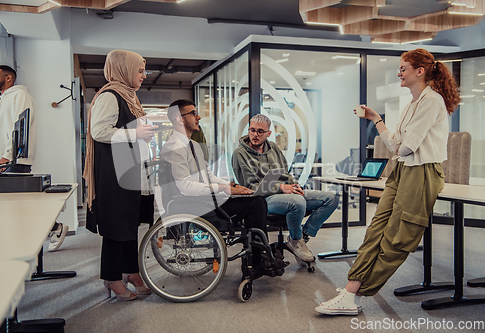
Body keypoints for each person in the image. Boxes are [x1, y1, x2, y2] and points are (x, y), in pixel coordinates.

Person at [315, 48, 460, 316]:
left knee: (397, 239)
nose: (398, 73)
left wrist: (399, 144)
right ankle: (351, 290)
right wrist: (376, 119)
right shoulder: (410, 106)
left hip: (422, 172)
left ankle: (354, 291)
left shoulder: (432, 102)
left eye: (403, 68)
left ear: (420, 71)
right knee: (375, 231)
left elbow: (405, 147)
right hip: (402, 170)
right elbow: (396, 145)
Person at [160, 99, 287, 276]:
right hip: (195, 205)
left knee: (251, 198)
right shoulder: (174, 147)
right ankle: (257, 260)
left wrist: (232, 186)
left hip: (204, 200)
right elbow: (185, 187)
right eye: (193, 113)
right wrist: (223, 188)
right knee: (256, 204)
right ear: (179, 119)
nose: (199, 117)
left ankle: (258, 255)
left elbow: (207, 175)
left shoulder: (193, 145)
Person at [83, 50, 156, 302]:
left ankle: (131, 272)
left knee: (129, 224)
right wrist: (136, 134)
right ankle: (112, 278)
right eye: (139, 70)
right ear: (123, 70)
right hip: (114, 174)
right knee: (116, 227)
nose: (143, 75)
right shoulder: (110, 96)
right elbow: (99, 131)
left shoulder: (129, 96)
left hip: (129, 170)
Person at [232, 114, 338, 263]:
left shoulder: (273, 148)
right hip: (261, 200)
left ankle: (301, 238)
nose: (255, 135)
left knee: (331, 199)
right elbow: (251, 187)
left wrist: (295, 186)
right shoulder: (240, 153)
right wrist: (281, 187)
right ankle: (296, 240)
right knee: (297, 202)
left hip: (284, 192)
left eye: (260, 131)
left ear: (269, 133)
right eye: (252, 130)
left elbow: (285, 173)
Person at [0, 65, 68, 252]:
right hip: (1, 159)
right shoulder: (2, 99)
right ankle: (53, 228)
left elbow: (20, 129)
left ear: (8, 78)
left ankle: (53, 229)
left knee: (21, 209)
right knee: (14, 208)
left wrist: (7, 156)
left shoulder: (20, 97)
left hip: (12, 161)